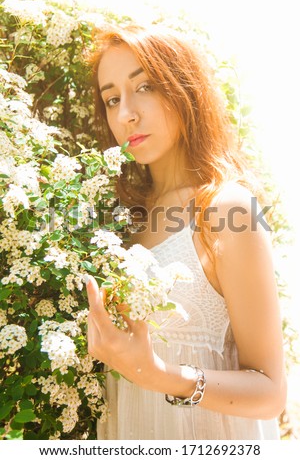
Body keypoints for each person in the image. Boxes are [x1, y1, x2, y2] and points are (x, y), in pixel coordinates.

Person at [84, 23, 287, 440]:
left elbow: (270, 391)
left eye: (145, 87)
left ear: (184, 89)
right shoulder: (120, 222)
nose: (126, 114)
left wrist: (160, 375)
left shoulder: (225, 209)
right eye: (112, 99)